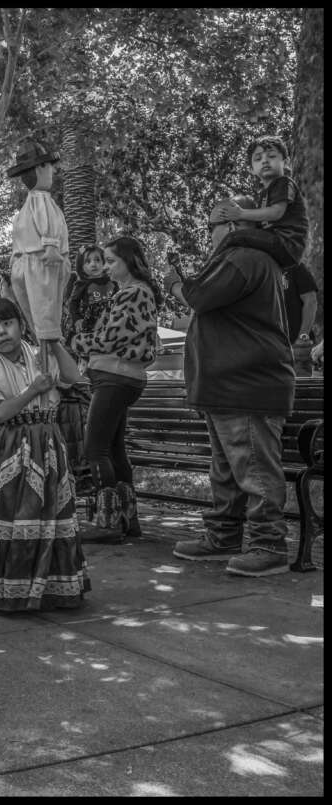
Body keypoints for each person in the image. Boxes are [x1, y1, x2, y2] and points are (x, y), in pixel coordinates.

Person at [165, 197, 295, 577]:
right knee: (226, 469)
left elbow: (200, 297)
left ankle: (268, 545)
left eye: (212, 227)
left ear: (233, 225)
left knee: (253, 469)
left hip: (247, 383)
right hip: (228, 384)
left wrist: (176, 284)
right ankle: (222, 536)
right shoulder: (244, 258)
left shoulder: (243, 257)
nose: (210, 236)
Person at [0, 297, 89, 611]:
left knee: (51, 513)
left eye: (8, 324)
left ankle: (52, 585)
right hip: (12, 447)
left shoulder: (41, 355)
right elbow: (1, 413)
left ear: (22, 325)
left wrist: (52, 339)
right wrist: (33, 391)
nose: (2, 333)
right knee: (17, 514)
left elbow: (73, 377)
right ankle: (14, 587)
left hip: (48, 441)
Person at [69, 236, 162, 541]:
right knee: (113, 448)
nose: (105, 267)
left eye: (111, 261)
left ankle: (106, 524)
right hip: (120, 376)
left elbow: (110, 338)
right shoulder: (135, 293)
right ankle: (127, 521)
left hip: (115, 375)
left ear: (129, 261)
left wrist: (75, 342)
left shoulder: (133, 293)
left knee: (94, 448)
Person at [7, 138, 70, 372]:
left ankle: (48, 363)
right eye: (48, 166)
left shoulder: (27, 206)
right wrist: (52, 246)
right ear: (40, 169)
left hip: (29, 263)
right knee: (46, 319)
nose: (52, 171)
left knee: (41, 320)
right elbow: (48, 225)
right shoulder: (41, 200)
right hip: (41, 263)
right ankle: (51, 366)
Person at [212, 135, 308, 269]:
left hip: (286, 243)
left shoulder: (283, 183)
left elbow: (276, 213)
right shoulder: (263, 194)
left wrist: (240, 214)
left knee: (232, 238)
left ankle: (211, 268)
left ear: (286, 163)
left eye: (272, 156)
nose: (265, 161)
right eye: (258, 158)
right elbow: (260, 224)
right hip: (274, 244)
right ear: (251, 169)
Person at [62, 245, 114, 365]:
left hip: (110, 323)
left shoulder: (112, 281)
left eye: (97, 260)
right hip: (90, 324)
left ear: (104, 262)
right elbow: (73, 303)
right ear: (81, 266)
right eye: (88, 261)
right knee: (89, 353)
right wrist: (77, 319)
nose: (93, 264)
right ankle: (86, 371)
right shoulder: (82, 284)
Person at [282, 262, 318, 377]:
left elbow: (311, 301)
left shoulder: (295, 267)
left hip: (297, 350)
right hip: (270, 349)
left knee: (299, 391)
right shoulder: (263, 268)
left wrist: (302, 338)